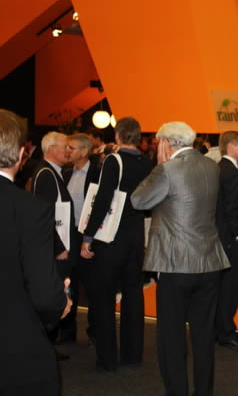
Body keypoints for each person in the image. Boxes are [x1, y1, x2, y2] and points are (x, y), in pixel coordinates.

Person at [131, 121, 229, 395]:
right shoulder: (212, 166)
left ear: (165, 143)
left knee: (171, 337)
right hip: (210, 262)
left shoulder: (166, 169)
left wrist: (159, 165)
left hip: (175, 264)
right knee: (203, 335)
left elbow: (138, 200)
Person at [0, 108, 71, 396]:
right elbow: (44, 294)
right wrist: (59, 304)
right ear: (19, 155)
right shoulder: (30, 210)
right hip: (14, 351)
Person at [80, 117, 153, 371]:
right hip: (136, 237)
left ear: (118, 135)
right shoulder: (147, 162)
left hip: (111, 238)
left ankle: (107, 359)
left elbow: (102, 200)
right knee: (133, 294)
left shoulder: (113, 161)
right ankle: (133, 355)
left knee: (104, 297)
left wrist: (88, 236)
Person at [31, 131, 77, 359]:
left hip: (55, 248)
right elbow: (43, 216)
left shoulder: (52, 173)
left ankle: (47, 347)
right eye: (64, 146)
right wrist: (58, 248)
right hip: (53, 251)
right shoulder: (46, 175)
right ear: (50, 149)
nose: (68, 151)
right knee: (50, 297)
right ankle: (44, 348)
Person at [61, 133, 101, 344]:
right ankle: (67, 331)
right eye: (66, 147)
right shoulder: (65, 173)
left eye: (72, 147)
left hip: (89, 235)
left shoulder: (97, 173)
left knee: (92, 285)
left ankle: (95, 331)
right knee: (70, 283)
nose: (67, 151)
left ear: (85, 151)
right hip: (69, 235)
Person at [215, 131, 238, 349]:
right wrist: (237, 234)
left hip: (223, 237)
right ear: (231, 146)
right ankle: (226, 331)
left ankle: (220, 329)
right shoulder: (231, 173)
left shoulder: (221, 168)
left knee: (222, 286)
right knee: (230, 286)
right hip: (230, 239)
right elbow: (230, 209)